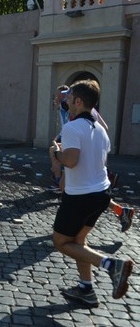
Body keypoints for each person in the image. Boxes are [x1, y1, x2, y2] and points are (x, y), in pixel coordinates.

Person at [49, 79, 133, 307]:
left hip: (80, 197)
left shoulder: (71, 128)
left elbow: (72, 161)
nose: (65, 101)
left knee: (60, 242)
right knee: (78, 241)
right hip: (101, 193)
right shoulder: (101, 130)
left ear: (78, 101)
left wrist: (56, 154)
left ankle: (111, 265)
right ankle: (86, 288)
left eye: (69, 98)